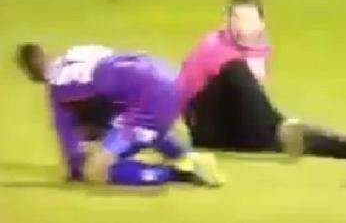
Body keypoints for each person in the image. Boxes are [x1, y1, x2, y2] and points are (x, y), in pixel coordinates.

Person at [178, 0, 346, 162]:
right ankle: (283, 128)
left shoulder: (261, 49)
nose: (239, 23)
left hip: (233, 132)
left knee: (305, 139)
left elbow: (250, 100)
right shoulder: (214, 45)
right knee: (274, 118)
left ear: (261, 24)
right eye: (235, 17)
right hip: (206, 127)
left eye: (247, 17)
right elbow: (185, 91)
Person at [16, 43, 225, 187]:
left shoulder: (58, 90)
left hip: (150, 98)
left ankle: (178, 174)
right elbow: (117, 81)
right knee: (134, 124)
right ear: (48, 54)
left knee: (94, 170)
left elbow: (74, 162)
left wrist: (83, 164)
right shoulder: (78, 52)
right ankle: (186, 156)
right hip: (165, 75)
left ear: (30, 75)